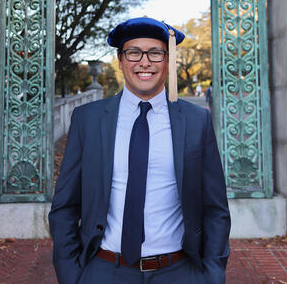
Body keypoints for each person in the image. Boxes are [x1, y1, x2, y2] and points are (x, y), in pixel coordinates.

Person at [49, 17, 230, 284]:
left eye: (155, 53)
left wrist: (212, 273)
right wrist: (71, 274)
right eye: (134, 52)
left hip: (178, 271)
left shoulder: (195, 121)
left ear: (168, 61)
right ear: (121, 61)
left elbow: (215, 208)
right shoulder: (88, 119)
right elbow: (65, 206)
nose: (144, 62)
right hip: (105, 269)